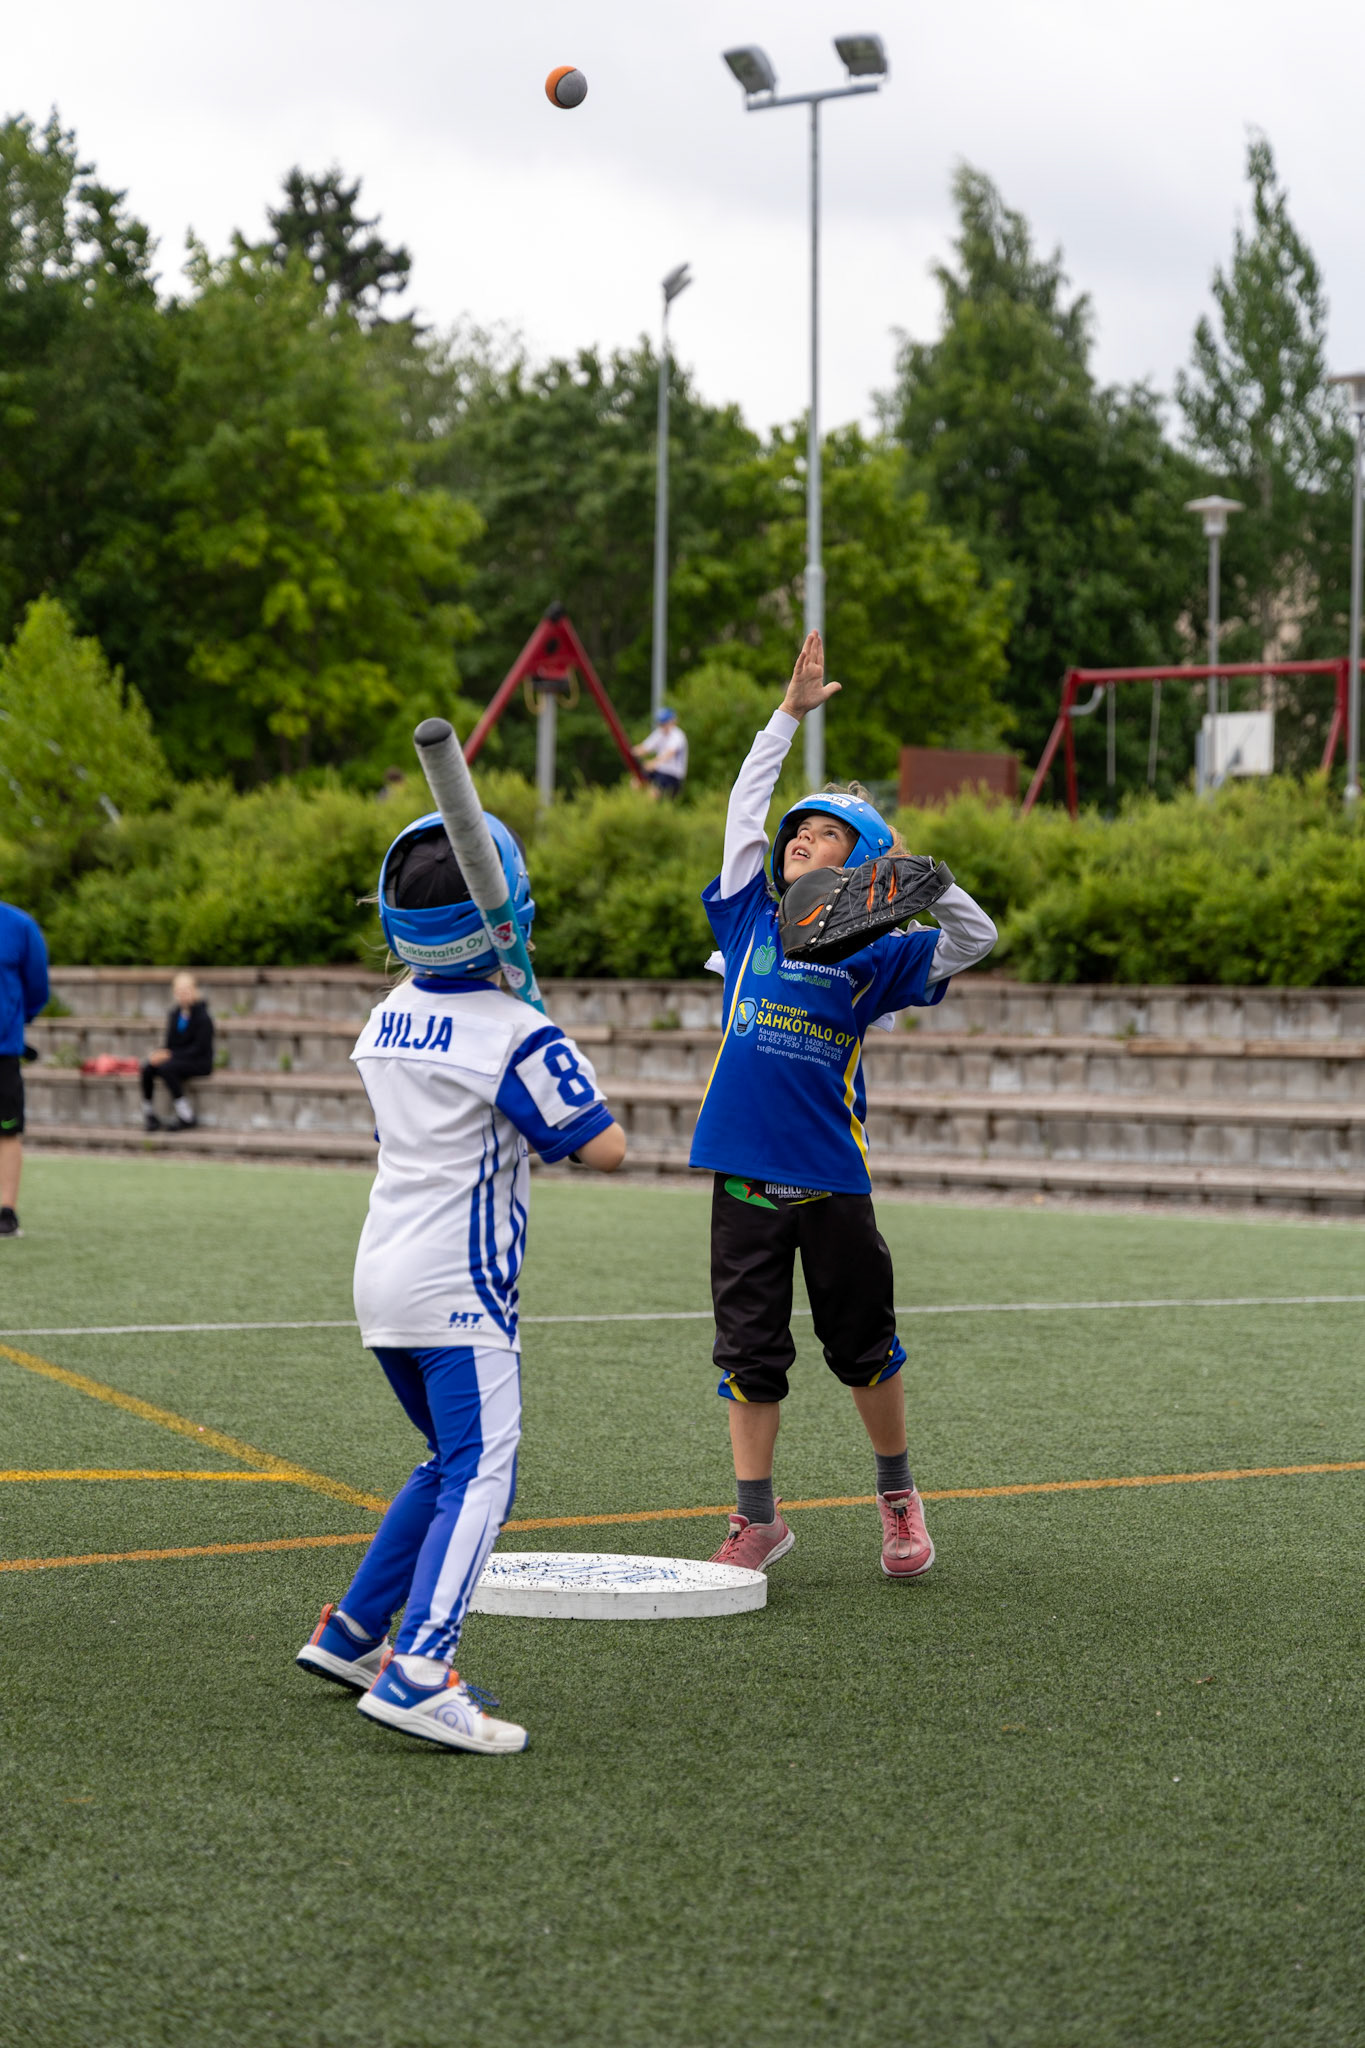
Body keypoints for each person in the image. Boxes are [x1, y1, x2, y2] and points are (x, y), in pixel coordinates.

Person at [296, 808, 627, 1754]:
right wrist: (543, 1031)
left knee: (446, 1460)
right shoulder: (517, 1031)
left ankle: (353, 1634)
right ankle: (420, 1671)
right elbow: (604, 1148)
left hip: (382, 1275)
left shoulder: (386, 1014)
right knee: (482, 1473)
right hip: (458, 1286)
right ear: (509, 914)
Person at [688, 630, 998, 1580]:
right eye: (798, 830)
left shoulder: (877, 956)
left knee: (863, 1349)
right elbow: (743, 812)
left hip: (831, 1179)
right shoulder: (748, 917)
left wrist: (920, 874)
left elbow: (975, 938)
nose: (797, 838)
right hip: (743, 1173)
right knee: (748, 1357)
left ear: (860, 863)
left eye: (822, 833)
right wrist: (784, 717)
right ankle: (756, 1519)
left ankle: (897, 1497)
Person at [0, 897, 50, 1240]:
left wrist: (15, 1022)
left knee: (6, 1129)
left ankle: (6, 1211)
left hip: (3, 1050)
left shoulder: (19, 926)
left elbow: (37, 987)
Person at [141, 972, 215, 1132]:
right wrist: (160, 1053)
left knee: (167, 1068)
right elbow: (170, 1044)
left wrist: (170, 1055)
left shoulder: (203, 1017)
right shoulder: (175, 1015)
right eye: (179, 992)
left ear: (194, 991)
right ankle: (149, 1112)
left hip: (199, 1061)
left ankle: (186, 1115)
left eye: (186, 991)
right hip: (179, 1058)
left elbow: (199, 1049)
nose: (183, 995)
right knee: (148, 1067)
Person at [633, 706, 688, 799]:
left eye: (665, 723)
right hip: (659, 770)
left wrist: (653, 763)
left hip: (672, 774)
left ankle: (646, 807)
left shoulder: (677, 735)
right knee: (636, 782)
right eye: (661, 723)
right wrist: (632, 751)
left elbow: (669, 754)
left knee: (653, 794)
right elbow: (644, 748)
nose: (663, 726)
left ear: (672, 721)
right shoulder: (659, 733)